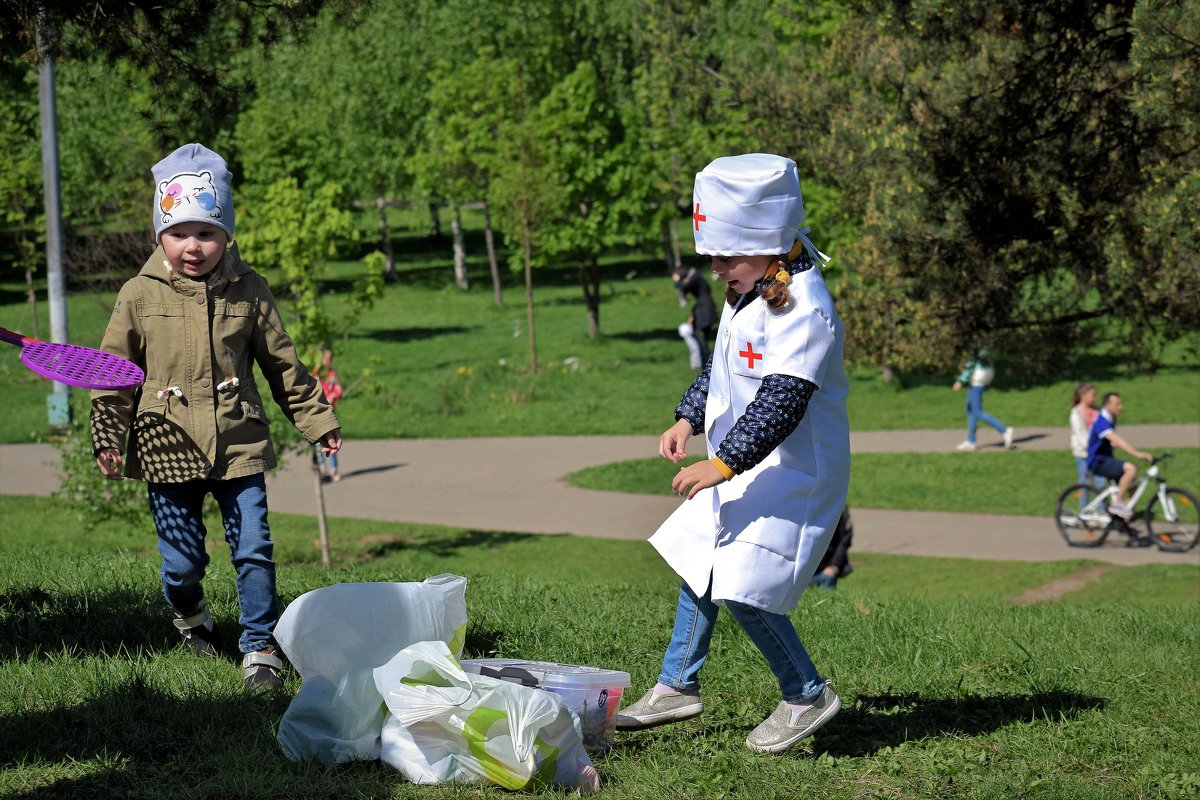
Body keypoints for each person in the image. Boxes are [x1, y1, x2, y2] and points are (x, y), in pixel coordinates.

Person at [617, 153, 850, 754]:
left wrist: (721, 464)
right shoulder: (753, 288)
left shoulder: (805, 307)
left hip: (789, 469)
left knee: (745, 585)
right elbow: (724, 369)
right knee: (700, 559)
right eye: (713, 257)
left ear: (769, 244)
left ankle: (805, 693)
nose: (717, 270)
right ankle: (678, 685)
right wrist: (687, 416)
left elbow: (781, 400)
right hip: (744, 461)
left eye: (728, 257)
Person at [90, 143, 342, 689]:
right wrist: (108, 436)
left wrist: (318, 421)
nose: (193, 246)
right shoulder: (137, 295)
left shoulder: (250, 291)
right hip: (166, 444)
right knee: (182, 565)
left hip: (237, 440)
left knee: (253, 546)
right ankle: (191, 614)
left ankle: (260, 645)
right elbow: (111, 374)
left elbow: (283, 363)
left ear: (226, 233)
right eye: (179, 232)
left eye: (207, 232)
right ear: (159, 233)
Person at [1086, 392, 1153, 523]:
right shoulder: (1101, 422)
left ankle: (1122, 519)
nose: (1120, 407)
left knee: (1133, 487)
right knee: (1131, 469)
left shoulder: (1111, 419)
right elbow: (1118, 439)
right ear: (1107, 405)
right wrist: (1138, 453)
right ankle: (1115, 504)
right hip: (1097, 462)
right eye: (1117, 404)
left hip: (1106, 459)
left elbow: (1110, 440)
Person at [952, 348, 1014, 451]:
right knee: (970, 410)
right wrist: (987, 384)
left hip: (976, 386)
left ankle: (1005, 430)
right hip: (980, 384)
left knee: (977, 412)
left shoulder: (975, 355)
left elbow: (969, 368)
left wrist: (959, 382)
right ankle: (971, 441)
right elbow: (989, 371)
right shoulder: (986, 356)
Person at [673, 263, 718, 369]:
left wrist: (677, 281)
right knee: (702, 337)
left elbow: (684, 288)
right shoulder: (696, 277)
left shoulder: (695, 277)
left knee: (702, 338)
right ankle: (706, 363)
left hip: (704, 309)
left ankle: (705, 363)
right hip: (703, 308)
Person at [315, 349, 343, 481]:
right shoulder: (316, 373)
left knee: (332, 441)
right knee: (318, 442)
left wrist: (333, 396)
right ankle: (321, 468)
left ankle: (334, 469)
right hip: (317, 411)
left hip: (329, 410)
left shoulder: (332, 374)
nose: (326, 361)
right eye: (325, 358)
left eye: (329, 358)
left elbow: (338, 390)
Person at [1069, 382, 1103, 492]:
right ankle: (1083, 508)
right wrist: (1092, 448)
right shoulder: (1076, 413)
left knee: (1100, 482)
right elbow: (1080, 435)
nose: (1095, 398)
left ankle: (1102, 508)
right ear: (1083, 396)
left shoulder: (1098, 411)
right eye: (1093, 395)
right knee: (1084, 483)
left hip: (1098, 452)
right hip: (1083, 454)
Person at [810, 507, 853, 590]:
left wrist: (833, 566)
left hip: (825, 572)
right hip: (802, 572)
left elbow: (845, 539)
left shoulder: (838, 507)